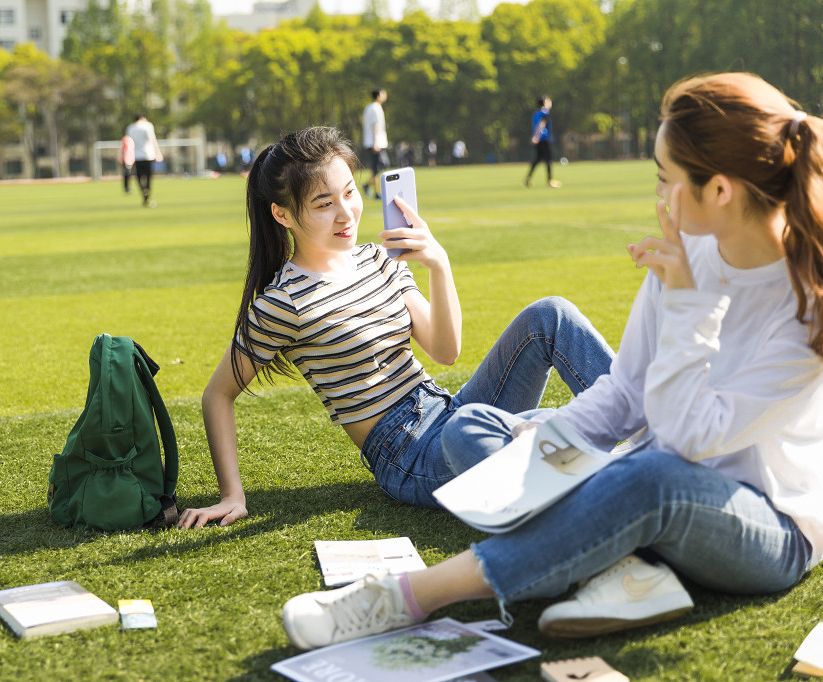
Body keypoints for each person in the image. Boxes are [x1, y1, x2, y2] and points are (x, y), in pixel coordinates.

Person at [281, 72, 823, 650]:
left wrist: (690, 302)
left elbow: (691, 440)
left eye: (665, 179)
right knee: (471, 429)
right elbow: (626, 391)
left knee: (652, 478)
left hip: (761, 523)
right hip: (648, 468)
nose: (658, 195)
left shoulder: (807, 302)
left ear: (718, 191)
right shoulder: (688, 256)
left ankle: (408, 596)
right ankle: (622, 566)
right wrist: (544, 447)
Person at [177, 125, 614, 530]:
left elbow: (445, 351)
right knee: (482, 430)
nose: (346, 213)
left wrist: (437, 265)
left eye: (350, 192)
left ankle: (641, 417)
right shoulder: (284, 302)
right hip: (407, 456)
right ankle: (571, 450)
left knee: (549, 315)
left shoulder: (379, 260)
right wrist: (232, 495)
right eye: (324, 204)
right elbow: (218, 394)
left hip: (450, 410)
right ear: (283, 214)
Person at [126, 113, 164, 207]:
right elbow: (153, 140)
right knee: (148, 177)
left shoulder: (130, 128)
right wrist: (158, 153)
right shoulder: (147, 126)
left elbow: (129, 143)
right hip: (148, 155)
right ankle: (147, 196)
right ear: (143, 118)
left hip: (136, 156)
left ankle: (144, 193)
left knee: (139, 178)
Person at [525, 96, 561, 188]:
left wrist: (534, 137)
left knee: (537, 159)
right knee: (548, 159)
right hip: (544, 139)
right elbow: (542, 125)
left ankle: (528, 178)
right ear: (544, 102)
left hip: (539, 140)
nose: (550, 102)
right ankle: (550, 180)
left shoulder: (536, 114)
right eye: (549, 101)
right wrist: (537, 137)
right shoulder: (545, 112)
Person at [362, 88, 389, 199]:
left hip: (372, 142)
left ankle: (370, 187)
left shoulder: (369, 107)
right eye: (383, 93)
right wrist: (376, 143)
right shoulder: (375, 108)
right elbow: (375, 125)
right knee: (380, 165)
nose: (385, 95)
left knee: (377, 167)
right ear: (378, 95)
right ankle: (375, 191)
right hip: (376, 143)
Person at [118, 128, 135, 194]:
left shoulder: (127, 139)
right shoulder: (127, 139)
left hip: (128, 160)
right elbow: (126, 150)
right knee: (127, 174)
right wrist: (127, 160)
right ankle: (127, 188)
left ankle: (127, 188)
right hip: (127, 160)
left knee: (128, 174)